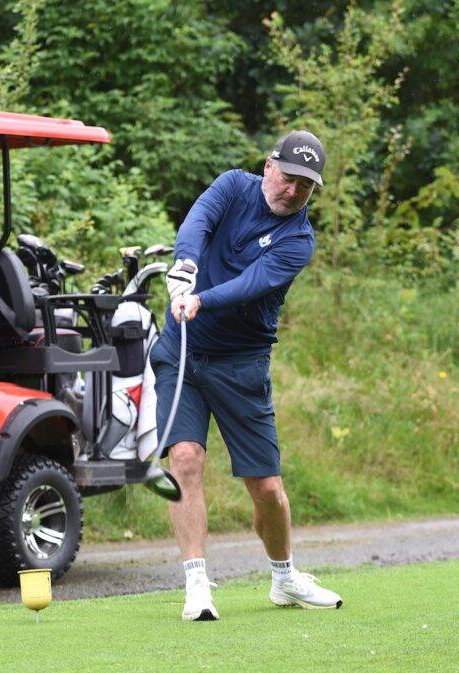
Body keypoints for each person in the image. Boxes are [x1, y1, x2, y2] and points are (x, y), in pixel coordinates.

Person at [152, 130, 343, 621]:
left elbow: (250, 284)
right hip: (184, 352)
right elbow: (198, 220)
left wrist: (199, 297)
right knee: (186, 459)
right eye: (289, 178)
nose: (295, 191)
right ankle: (197, 583)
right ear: (268, 166)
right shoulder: (233, 186)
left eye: (306, 186)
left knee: (267, 489)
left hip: (241, 364)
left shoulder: (298, 240)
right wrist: (186, 264)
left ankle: (284, 577)